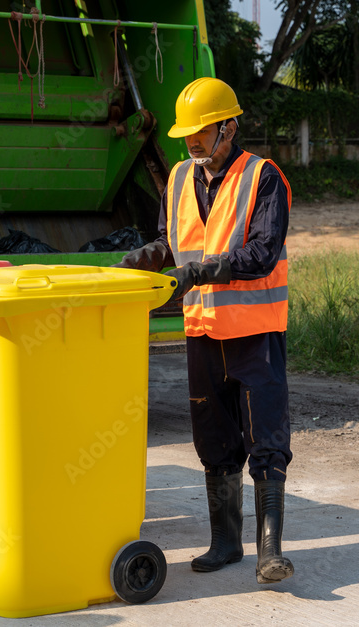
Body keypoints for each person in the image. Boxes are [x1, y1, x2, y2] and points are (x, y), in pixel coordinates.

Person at [117, 77, 294, 584]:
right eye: (187, 133)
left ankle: (270, 551)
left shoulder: (264, 178)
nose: (192, 141)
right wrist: (138, 262)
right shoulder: (176, 179)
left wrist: (195, 274)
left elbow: (260, 255)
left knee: (266, 439)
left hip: (255, 333)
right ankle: (225, 543)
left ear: (229, 126)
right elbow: (170, 243)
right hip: (202, 332)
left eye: (202, 131)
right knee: (213, 439)